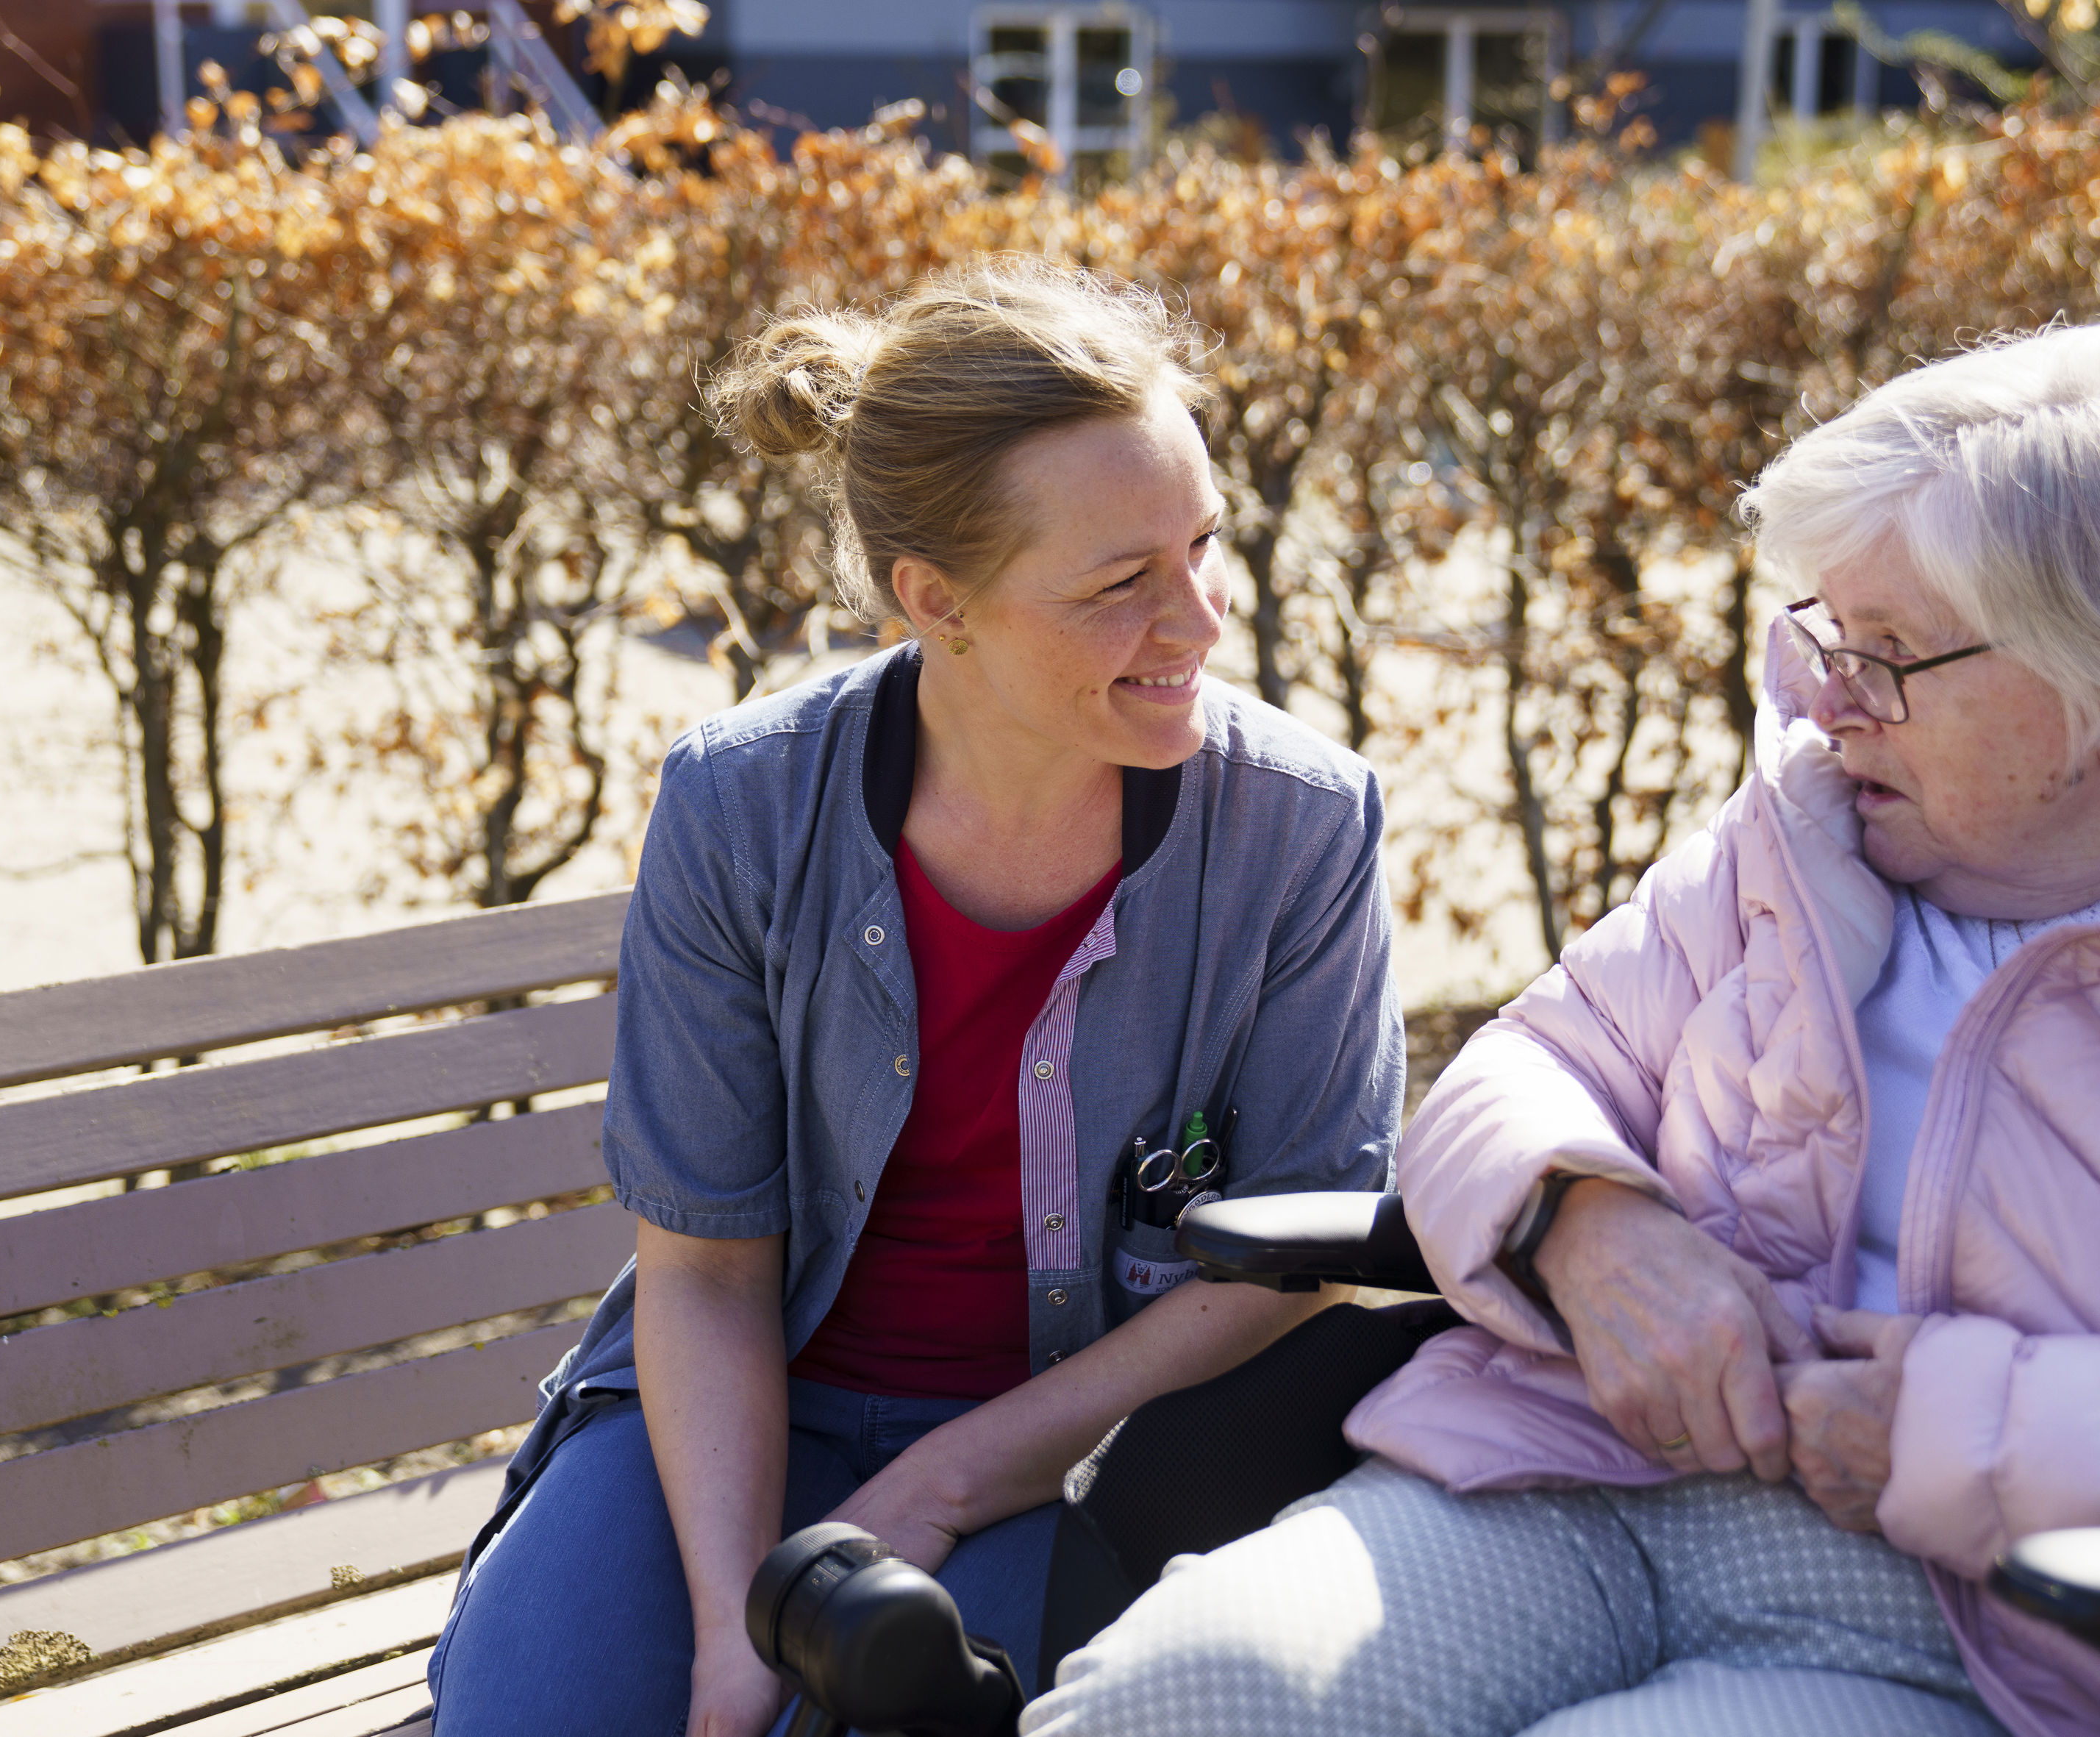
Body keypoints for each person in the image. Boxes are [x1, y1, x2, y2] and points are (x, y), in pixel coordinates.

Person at [1024, 310, 2100, 1737]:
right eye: (1820, 635)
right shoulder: (1812, 830)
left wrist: (1973, 1428)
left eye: (1884, 653)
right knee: (1173, 1694)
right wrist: (1582, 1217)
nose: (1823, 702)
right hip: (1577, 1478)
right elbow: (1522, 1065)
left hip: (2012, 1635)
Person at [426, 258, 1403, 1737]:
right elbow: (701, 1267)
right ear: (933, 600)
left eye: (1202, 546)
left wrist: (939, 1484)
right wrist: (728, 1633)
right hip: (726, 1427)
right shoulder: (736, 805)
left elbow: (1291, 1261)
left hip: (1079, 1442)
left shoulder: (1299, 825)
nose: (1198, 624)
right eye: (1119, 583)